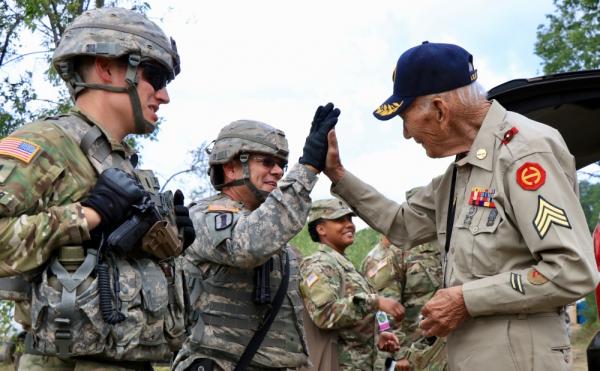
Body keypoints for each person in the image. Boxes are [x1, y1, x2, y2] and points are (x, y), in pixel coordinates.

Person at [320, 41, 599, 370]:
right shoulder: (462, 173)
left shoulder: (524, 153)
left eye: (406, 119)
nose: (407, 134)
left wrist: (466, 298)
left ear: (439, 109)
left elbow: (573, 270)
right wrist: (336, 173)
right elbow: (401, 223)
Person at [0, 7, 195, 370]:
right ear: (107, 68)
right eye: (155, 76)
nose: (164, 96)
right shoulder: (46, 143)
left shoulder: (120, 161)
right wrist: (86, 215)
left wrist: (173, 244)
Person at [173, 104, 341, 371]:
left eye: (282, 165)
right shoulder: (204, 217)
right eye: (267, 162)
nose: (278, 171)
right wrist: (306, 169)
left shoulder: (274, 233)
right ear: (230, 167)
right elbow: (249, 245)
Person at [299, 198, 404, 371]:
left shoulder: (345, 266)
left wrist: (379, 335)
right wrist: (375, 302)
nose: (349, 225)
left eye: (350, 219)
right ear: (321, 229)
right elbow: (324, 314)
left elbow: (353, 322)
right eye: (340, 220)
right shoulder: (318, 264)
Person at [361, 234, 447, 371]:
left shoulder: (430, 246)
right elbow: (382, 311)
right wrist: (400, 353)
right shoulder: (378, 258)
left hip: (440, 343)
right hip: (410, 349)